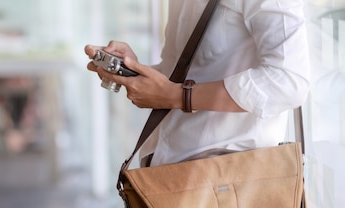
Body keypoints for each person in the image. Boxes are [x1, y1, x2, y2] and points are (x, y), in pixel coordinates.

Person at [84, 0, 311, 167]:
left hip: (229, 179)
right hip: (169, 171)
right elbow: (180, 75)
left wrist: (177, 96)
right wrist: (133, 70)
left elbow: (289, 82)